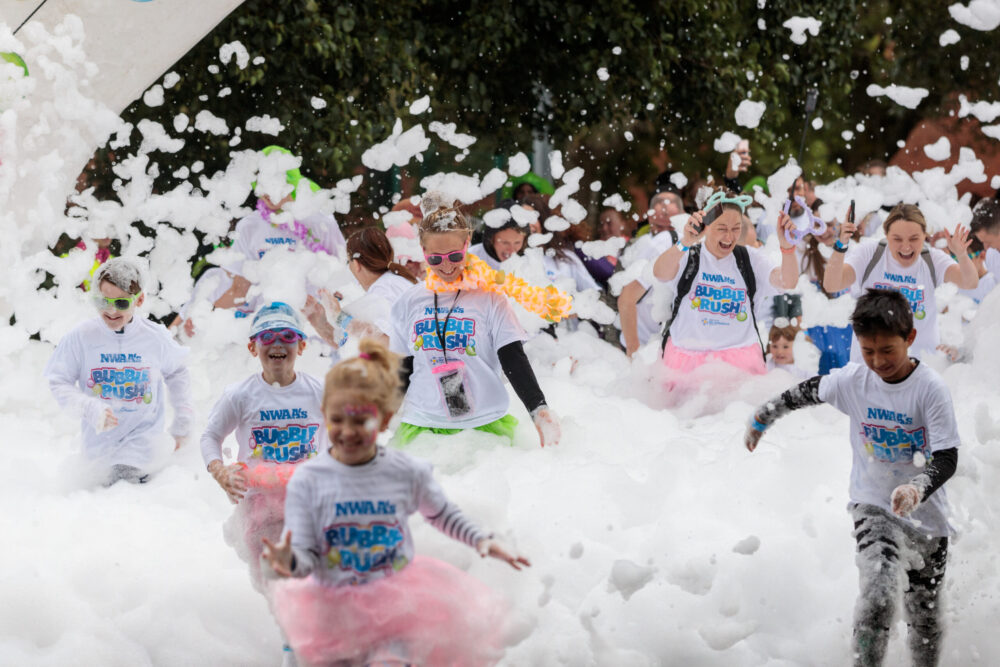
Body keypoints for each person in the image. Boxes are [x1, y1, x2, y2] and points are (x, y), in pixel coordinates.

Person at [262, 339, 530, 665]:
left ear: (386, 419)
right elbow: (305, 549)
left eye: (361, 421)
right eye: (337, 420)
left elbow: (441, 513)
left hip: (395, 603)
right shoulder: (310, 480)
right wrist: (289, 561)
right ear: (324, 415)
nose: (348, 431)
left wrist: (481, 539)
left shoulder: (404, 471)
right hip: (334, 604)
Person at [744, 289, 960, 666]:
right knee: (878, 596)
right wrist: (764, 416)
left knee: (923, 617)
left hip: (927, 518)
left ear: (909, 338)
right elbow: (808, 390)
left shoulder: (930, 390)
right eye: (868, 351)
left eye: (888, 351)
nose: (878, 361)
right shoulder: (854, 381)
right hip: (873, 504)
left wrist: (917, 488)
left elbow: (947, 457)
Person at [199, 302, 322, 664]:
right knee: (280, 587)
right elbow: (209, 437)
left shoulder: (319, 392)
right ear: (254, 347)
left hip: (306, 505)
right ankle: (293, 650)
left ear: (301, 345)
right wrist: (219, 470)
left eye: (287, 335)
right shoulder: (241, 394)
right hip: (260, 510)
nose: (277, 343)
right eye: (268, 336)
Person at [388, 205, 566, 447]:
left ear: (467, 244)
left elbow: (512, 357)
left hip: (484, 426)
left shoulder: (491, 298)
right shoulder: (409, 301)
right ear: (423, 251)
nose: (447, 266)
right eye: (435, 259)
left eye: (454, 256)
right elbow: (403, 365)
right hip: (422, 425)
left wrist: (538, 409)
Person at [43, 257, 193, 485]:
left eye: (121, 303)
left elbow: (177, 373)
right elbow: (58, 381)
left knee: (130, 496)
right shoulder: (82, 337)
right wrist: (90, 407)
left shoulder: (154, 338)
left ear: (139, 300)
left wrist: (183, 424)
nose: (111, 311)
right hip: (98, 451)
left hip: (143, 447)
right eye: (104, 302)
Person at [652, 188, 800, 375]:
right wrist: (685, 242)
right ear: (705, 226)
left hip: (740, 365)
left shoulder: (750, 260)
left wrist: (787, 248)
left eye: (736, 229)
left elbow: (787, 282)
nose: (729, 237)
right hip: (685, 364)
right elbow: (660, 273)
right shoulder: (689, 255)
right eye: (721, 229)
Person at [823, 203, 978, 361]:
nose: (906, 247)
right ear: (886, 235)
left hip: (917, 367)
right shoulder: (870, 253)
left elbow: (969, 283)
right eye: (897, 239)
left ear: (925, 235)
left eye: (914, 239)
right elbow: (832, 285)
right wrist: (841, 245)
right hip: (870, 366)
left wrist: (962, 255)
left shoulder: (932, 259)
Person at [303, 226, 418, 349]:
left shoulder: (382, 291)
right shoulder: (398, 282)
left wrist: (338, 316)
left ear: (356, 264)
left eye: (349, 262)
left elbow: (384, 342)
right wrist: (319, 320)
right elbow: (350, 343)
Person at [618, 191, 685, 357]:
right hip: (647, 347)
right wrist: (633, 353)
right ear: (649, 218)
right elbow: (626, 299)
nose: (663, 233)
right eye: (659, 227)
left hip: (661, 346)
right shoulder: (659, 243)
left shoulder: (686, 241)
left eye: (669, 227)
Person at [469, 200, 529, 270]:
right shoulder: (471, 258)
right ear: (491, 239)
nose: (511, 250)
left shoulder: (529, 265)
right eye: (505, 242)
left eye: (517, 243)